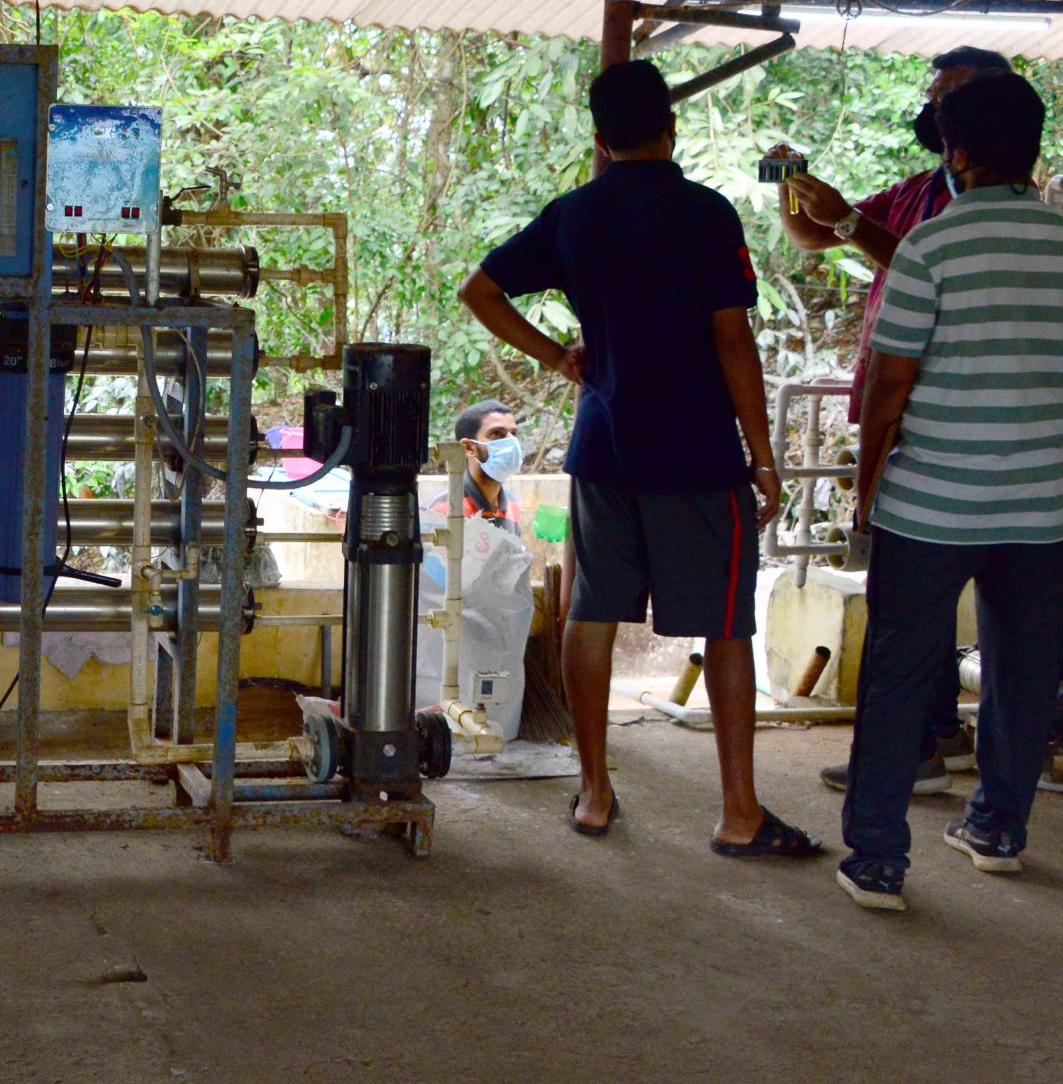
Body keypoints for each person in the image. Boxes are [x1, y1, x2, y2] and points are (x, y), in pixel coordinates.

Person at [460, 60, 818, 858]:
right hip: (697, 451)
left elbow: (479, 291)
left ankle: (594, 792)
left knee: (590, 613)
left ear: (599, 138)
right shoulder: (705, 212)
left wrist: (557, 355)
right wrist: (763, 457)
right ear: (672, 128)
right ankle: (738, 811)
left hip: (605, 445)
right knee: (725, 627)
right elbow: (733, 339)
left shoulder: (574, 215)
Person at [834, 72, 1063, 913]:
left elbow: (888, 388)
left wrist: (865, 491)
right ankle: (997, 830)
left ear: (956, 153)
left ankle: (878, 859)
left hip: (929, 509)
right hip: (1039, 514)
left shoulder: (929, 247)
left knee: (897, 676)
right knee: (1023, 678)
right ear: (1032, 149)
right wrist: (1062, 488)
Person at [783, 47, 1013, 792]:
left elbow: (918, 265)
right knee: (916, 589)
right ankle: (939, 730)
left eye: (948, 98)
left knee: (908, 591)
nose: (932, 111)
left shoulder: (991, 206)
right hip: (897, 405)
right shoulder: (919, 189)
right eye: (932, 95)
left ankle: (911, 752)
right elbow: (818, 236)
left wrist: (847, 219)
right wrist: (794, 189)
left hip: (932, 412)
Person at [427, 399, 522, 533]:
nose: (511, 442)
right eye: (496, 434)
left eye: (513, 433)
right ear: (468, 447)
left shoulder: (512, 503)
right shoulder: (441, 509)